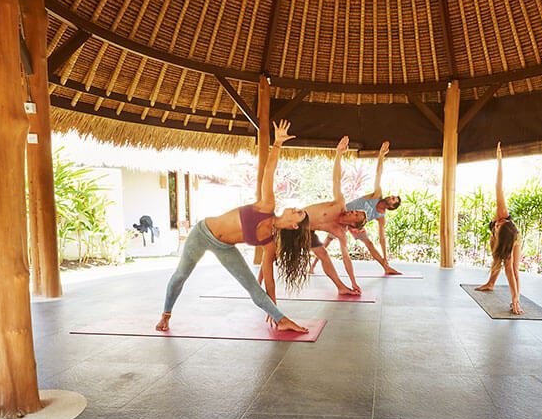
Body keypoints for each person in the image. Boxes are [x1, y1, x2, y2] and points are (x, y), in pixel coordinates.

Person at [156, 120, 311, 333]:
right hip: (202, 233)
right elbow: (269, 172)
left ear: (294, 226)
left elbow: (269, 279)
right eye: (297, 208)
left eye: (298, 213)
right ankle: (165, 315)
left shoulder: (269, 242)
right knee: (181, 275)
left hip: (225, 247)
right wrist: (277, 144)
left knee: (252, 287)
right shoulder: (267, 206)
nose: (295, 208)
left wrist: (274, 310)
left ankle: (282, 320)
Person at [294, 134, 368, 295]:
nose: (353, 211)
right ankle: (259, 284)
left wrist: (354, 282)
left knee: (323, 255)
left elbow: (346, 258)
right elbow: (336, 180)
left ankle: (342, 287)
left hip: (306, 231)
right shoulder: (339, 204)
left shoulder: (340, 233)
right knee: (272, 253)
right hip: (294, 220)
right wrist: (339, 154)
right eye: (356, 211)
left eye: (356, 215)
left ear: (353, 224)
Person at [314, 141, 402, 275]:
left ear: (391, 207)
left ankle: (386, 267)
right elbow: (378, 174)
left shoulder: (381, 217)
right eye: (392, 196)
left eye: (393, 199)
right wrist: (381, 156)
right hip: (344, 216)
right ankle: (312, 266)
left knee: (369, 244)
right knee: (328, 240)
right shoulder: (377, 195)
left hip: (356, 225)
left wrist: (385, 256)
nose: (390, 197)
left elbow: (382, 237)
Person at [475, 143, 523, 315]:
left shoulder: (511, 240)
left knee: (512, 268)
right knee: (496, 259)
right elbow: (498, 185)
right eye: (497, 225)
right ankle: (490, 283)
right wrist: (499, 161)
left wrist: (514, 299)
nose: (495, 224)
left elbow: (509, 272)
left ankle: (516, 298)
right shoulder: (501, 212)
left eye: (497, 227)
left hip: (513, 240)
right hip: (504, 237)